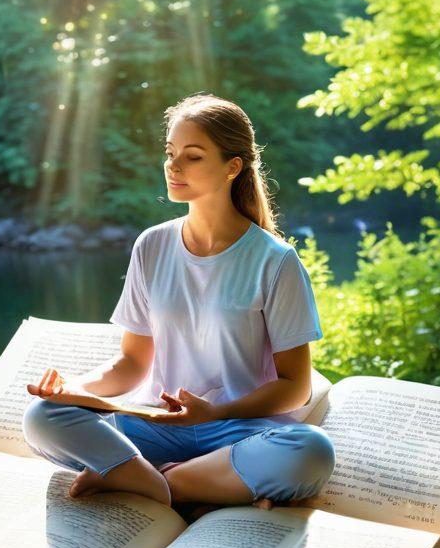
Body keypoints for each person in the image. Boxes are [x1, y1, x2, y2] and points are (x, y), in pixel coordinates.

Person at [22, 92, 336, 511]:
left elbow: (295, 387)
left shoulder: (275, 261)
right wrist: (72, 391)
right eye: (170, 153)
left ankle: (135, 477)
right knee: (42, 417)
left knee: (310, 451)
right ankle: (182, 487)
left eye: (192, 156)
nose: (173, 165)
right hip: (157, 425)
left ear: (232, 167)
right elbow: (132, 364)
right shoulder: (151, 245)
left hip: (235, 432)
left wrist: (214, 413)